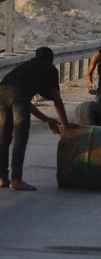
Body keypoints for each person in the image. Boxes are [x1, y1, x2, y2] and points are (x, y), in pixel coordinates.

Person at [0, 47, 72, 191]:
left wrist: (47, 119)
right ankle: (16, 179)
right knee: (20, 137)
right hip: (16, 94)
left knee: (3, 137)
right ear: (51, 59)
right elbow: (57, 100)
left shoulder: (27, 66)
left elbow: (24, 101)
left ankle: (2, 178)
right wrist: (66, 125)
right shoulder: (50, 69)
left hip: (2, 91)